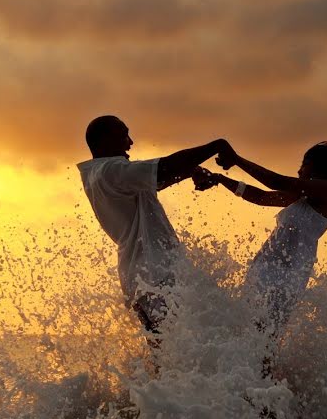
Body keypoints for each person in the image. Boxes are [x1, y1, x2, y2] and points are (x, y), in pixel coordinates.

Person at [77, 115, 233, 340]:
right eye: (124, 135)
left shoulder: (98, 174)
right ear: (103, 141)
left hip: (138, 277)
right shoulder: (112, 170)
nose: (130, 142)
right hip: (155, 274)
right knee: (185, 343)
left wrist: (190, 171)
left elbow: (157, 180)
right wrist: (217, 146)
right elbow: (164, 167)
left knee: (165, 354)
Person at [199, 140, 327, 337]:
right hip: (264, 273)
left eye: (304, 164)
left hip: (285, 280)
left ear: (320, 167)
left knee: (264, 339)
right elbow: (262, 197)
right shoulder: (303, 196)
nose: (299, 170)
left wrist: (237, 160)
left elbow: (279, 182)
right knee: (251, 335)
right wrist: (220, 179)